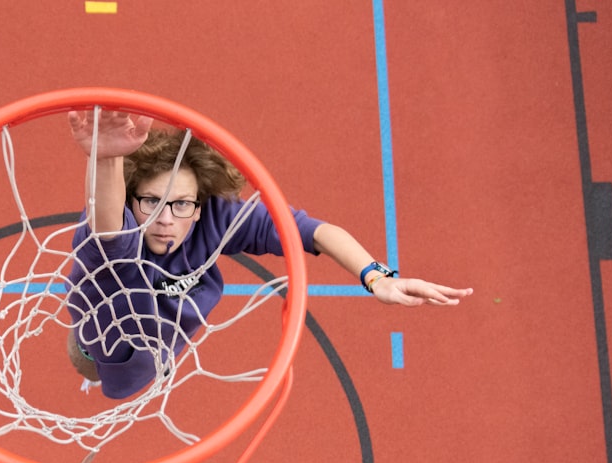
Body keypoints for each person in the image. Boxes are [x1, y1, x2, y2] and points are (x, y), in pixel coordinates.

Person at [65, 110, 472, 400]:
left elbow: (314, 232)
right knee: (92, 354)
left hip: (165, 333)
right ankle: (91, 360)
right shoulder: (118, 225)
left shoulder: (218, 218)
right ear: (133, 197)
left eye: (181, 204)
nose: (165, 219)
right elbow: (107, 231)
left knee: (131, 373)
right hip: (107, 316)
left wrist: (377, 277)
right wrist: (105, 159)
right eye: (151, 201)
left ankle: (114, 364)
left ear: (201, 205)